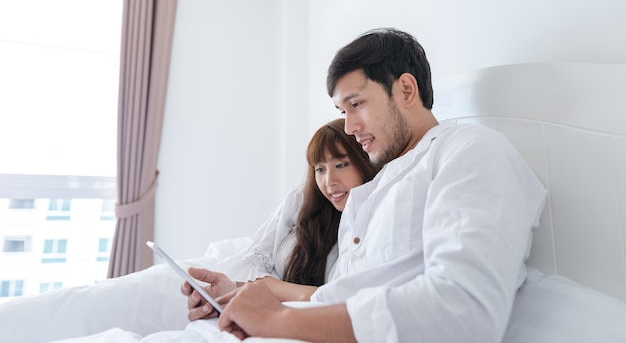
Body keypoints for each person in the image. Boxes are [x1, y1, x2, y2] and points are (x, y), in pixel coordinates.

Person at [215, 28, 547, 343]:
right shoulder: (381, 183)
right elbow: (335, 296)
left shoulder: (470, 150)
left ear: (405, 90)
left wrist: (277, 320)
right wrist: (241, 293)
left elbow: (462, 309)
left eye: (356, 103)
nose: (349, 127)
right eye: (342, 111)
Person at [183, 118, 380, 319]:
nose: (329, 181)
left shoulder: (373, 221)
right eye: (320, 169)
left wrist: (264, 287)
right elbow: (253, 260)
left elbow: (336, 300)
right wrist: (235, 288)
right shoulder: (302, 200)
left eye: (341, 164)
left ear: (364, 161)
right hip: (265, 307)